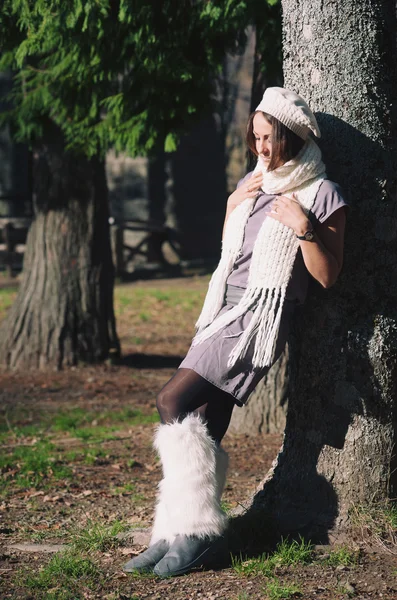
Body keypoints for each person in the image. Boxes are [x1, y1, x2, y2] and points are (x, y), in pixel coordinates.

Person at [123, 87, 347, 578]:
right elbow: (235, 250)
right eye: (256, 139)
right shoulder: (257, 179)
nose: (261, 149)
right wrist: (233, 204)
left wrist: (305, 228)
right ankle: (186, 536)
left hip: (256, 320)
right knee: (204, 421)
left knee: (171, 402)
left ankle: (189, 532)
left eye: (270, 139)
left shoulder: (319, 191)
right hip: (222, 309)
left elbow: (329, 275)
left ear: (291, 137)